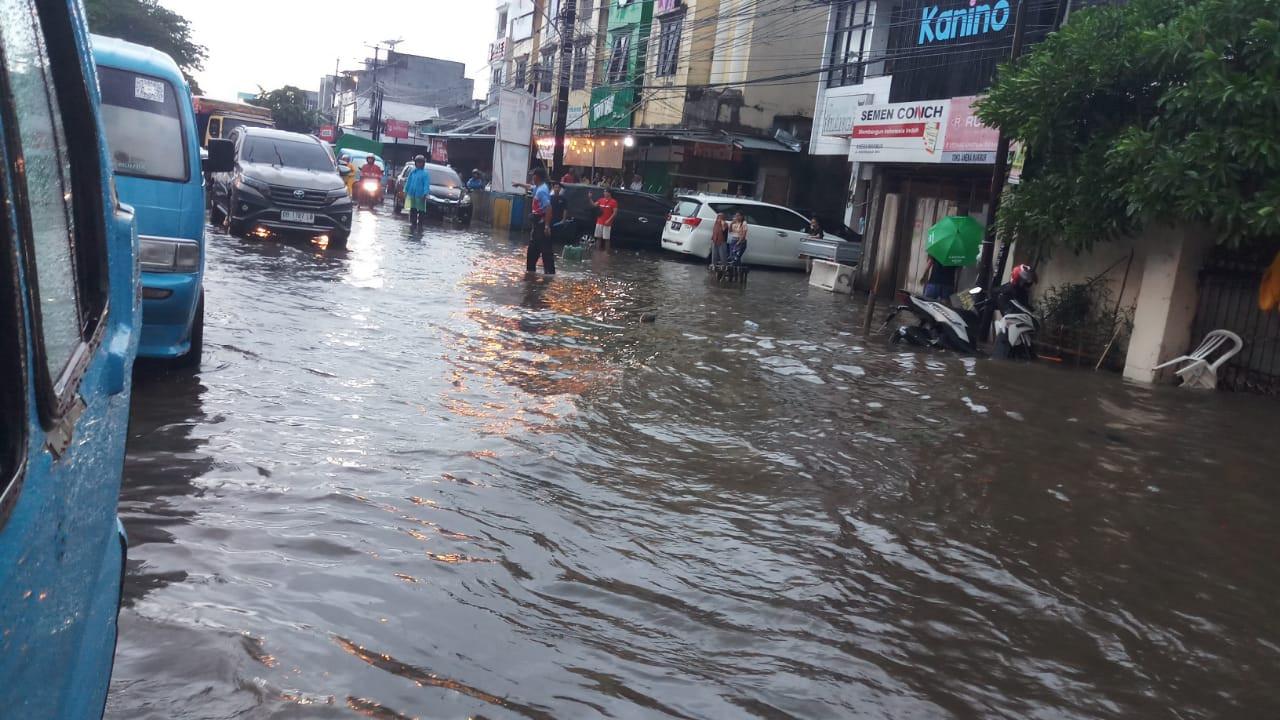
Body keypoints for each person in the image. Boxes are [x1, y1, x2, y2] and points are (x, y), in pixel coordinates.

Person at [526, 168, 555, 275]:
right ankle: (531, 273)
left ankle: (549, 275)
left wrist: (547, 226)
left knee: (545, 252)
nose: (532, 178)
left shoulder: (542, 191)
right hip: (537, 224)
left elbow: (548, 208)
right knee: (533, 251)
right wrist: (519, 184)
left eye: (533, 176)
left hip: (541, 224)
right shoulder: (539, 187)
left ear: (536, 177)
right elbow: (530, 187)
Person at [403, 155, 432, 230]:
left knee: (421, 210)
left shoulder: (425, 174)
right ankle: (413, 223)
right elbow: (408, 182)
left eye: (421, 162)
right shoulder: (413, 172)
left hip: (420, 195)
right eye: (418, 162)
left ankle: (420, 224)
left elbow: (426, 184)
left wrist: (425, 193)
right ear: (415, 163)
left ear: (423, 164)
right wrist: (405, 190)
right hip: (412, 194)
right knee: (413, 209)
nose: (419, 164)